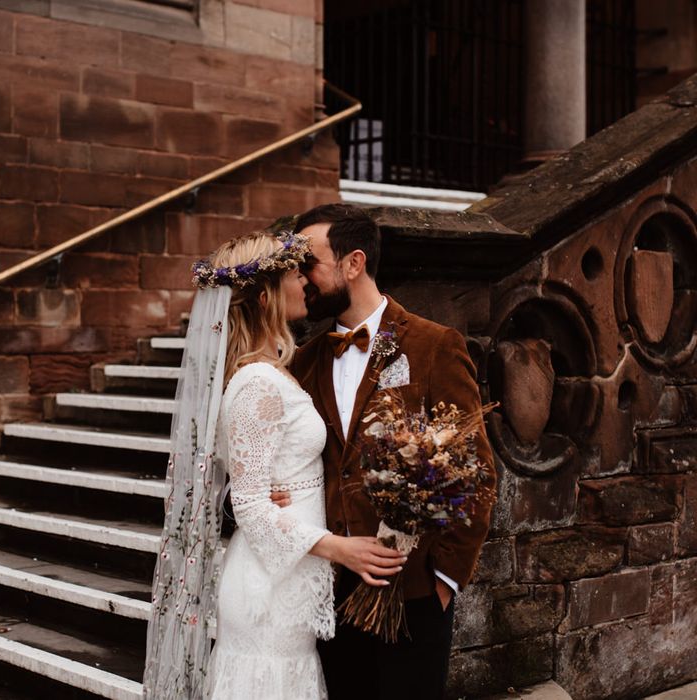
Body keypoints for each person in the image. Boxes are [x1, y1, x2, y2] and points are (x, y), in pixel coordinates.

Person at [143, 230, 405, 700]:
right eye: (291, 272)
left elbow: (256, 484)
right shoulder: (258, 383)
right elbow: (250, 506)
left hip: (284, 579)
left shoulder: (277, 368)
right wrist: (342, 550)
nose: (304, 280)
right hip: (268, 588)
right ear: (265, 296)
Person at [287, 204, 497, 699]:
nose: (300, 279)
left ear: (353, 263)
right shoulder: (305, 359)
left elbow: (477, 471)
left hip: (414, 594)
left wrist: (443, 580)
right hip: (330, 592)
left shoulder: (434, 345)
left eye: (308, 264)